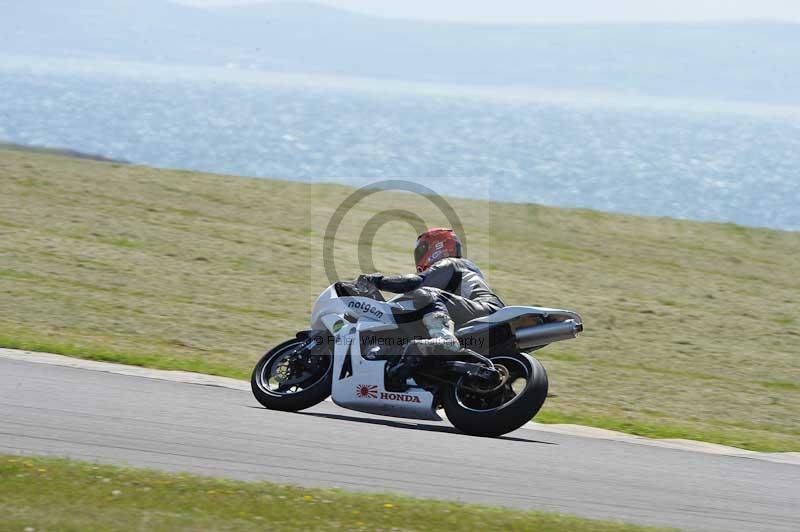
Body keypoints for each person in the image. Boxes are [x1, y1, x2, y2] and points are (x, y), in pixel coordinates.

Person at [359, 228, 504, 356]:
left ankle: (445, 338)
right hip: (482, 314)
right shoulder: (457, 275)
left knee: (423, 293)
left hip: (486, 310)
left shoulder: (452, 262)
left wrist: (377, 281)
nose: (419, 258)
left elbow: (414, 282)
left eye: (422, 250)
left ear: (440, 246)